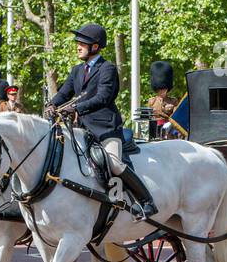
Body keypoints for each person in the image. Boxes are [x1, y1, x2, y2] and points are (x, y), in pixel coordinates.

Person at [49, 23, 157, 219]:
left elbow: (103, 97)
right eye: (78, 43)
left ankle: (146, 201)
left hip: (105, 129)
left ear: (95, 47)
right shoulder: (76, 70)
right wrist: (51, 105)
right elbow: (64, 93)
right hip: (82, 130)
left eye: (82, 43)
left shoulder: (107, 69)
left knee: (115, 164)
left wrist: (76, 108)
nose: (78, 46)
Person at [145, 62, 180, 136]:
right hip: (155, 131)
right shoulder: (152, 101)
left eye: (164, 89)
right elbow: (149, 118)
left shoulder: (173, 101)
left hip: (169, 131)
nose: (162, 91)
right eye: (160, 89)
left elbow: (177, 117)